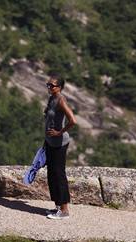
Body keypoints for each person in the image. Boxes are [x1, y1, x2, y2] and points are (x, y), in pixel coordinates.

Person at [44, 75, 77, 220]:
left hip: (59, 143)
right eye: (48, 85)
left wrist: (59, 132)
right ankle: (58, 206)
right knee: (51, 174)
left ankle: (64, 210)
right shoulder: (51, 98)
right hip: (50, 142)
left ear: (60, 87)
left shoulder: (61, 100)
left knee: (59, 175)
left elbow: (72, 120)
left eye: (52, 85)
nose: (49, 87)